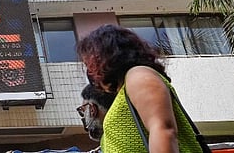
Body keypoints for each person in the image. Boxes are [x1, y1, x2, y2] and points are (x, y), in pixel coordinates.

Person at [76, 24, 204, 153]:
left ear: (104, 58)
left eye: (90, 64)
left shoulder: (137, 75)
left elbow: (164, 131)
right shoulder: (128, 86)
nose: (90, 73)